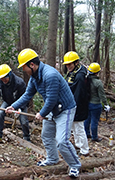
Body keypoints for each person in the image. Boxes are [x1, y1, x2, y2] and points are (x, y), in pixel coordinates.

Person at [5, 48, 81, 178]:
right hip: (53, 108)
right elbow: (28, 94)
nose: (24, 70)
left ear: (32, 65)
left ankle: (74, 165)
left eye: (24, 67)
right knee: (46, 135)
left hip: (65, 109)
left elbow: (51, 99)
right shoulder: (34, 77)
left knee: (62, 141)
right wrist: (13, 106)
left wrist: (41, 113)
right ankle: (52, 159)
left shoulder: (49, 75)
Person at [0, 64, 30, 143]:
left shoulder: (19, 82)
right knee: (0, 113)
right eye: (2, 78)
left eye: (5, 78)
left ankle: (26, 137)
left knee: (23, 120)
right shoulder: (0, 81)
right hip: (7, 101)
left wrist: (20, 108)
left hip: (19, 102)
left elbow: (25, 97)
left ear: (10, 75)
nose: (3, 80)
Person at [63, 51, 89, 156]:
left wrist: (74, 107)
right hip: (73, 104)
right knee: (74, 128)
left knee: (79, 129)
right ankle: (79, 145)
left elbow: (79, 94)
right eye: (67, 64)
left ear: (76, 62)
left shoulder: (80, 76)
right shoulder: (73, 73)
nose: (68, 66)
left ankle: (84, 150)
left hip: (79, 106)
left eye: (70, 64)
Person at [84, 63, 110, 142]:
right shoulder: (98, 82)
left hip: (87, 103)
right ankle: (94, 137)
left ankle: (87, 134)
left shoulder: (86, 80)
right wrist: (106, 104)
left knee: (87, 120)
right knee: (94, 121)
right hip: (95, 105)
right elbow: (102, 96)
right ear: (97, 72)